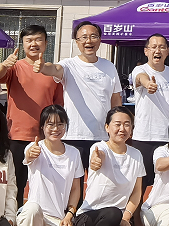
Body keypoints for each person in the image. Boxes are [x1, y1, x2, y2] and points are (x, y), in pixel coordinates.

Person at [0, 24, 66, 207]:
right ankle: (13, 218)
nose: (34, 44)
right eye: (29, 40)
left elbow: (58, 105)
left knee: (45, 184)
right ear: (23, 44)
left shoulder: (53, 71)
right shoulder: (15, 67)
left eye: (38, 40)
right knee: (16, 183)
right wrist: (4, 64)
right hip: (17, 135)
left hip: (45, 138)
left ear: (46, 43)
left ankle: (44, 218)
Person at [73, 106, 145, 226]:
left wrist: (126, 217)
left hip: (118, 219)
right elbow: (98, 157)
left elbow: (136, 192)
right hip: (89, 217)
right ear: (107, 127)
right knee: (112, 213)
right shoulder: (99, 147)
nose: (122, 129)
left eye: (127, 124)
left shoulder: (136, 155)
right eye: (117, 124)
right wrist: (96, 161)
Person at [16, 105, 84, 226]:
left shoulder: (74, 153)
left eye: (60, 124)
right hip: (36, 215)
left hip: (57, 218)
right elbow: (28, 156)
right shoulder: (35, 148)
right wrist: (31, 154)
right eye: (50, 124)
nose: (55, 128)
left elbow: (76, 189)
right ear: (42, 127)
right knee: (31, 209)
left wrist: (69, 214)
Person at [40, 21, 121, 169]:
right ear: (77, 42)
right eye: (83, 37)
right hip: (74, 135)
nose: (88, 41)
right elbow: (54, 69)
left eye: (93, 36)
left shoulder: (109, 66)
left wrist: (116, 128)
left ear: (100, 40)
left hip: (102, 136)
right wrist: (43, 67)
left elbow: (115, 100)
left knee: (100, 179)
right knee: (73, 179)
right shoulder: (68, 64)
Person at [129, 34, 169, 186]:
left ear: (167, 51)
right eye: (154, 47)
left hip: (166, 137)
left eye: (162, 47)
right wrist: (148, 84)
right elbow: (140, 78)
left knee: (164, 183)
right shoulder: (139, 69)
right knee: (140, 183)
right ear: (146, 51)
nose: (158, 51)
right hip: (143, 136)